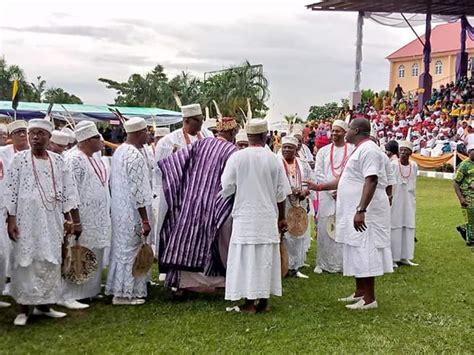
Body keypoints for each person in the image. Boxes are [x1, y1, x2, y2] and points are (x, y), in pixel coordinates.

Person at [306, 118, 393, 310]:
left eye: (349, 129)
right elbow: (344, 179)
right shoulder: (359, 149)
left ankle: (370, 299)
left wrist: (361, 210)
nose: (346, 132)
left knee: (365, 250)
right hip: (353, 210)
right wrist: (319, 186)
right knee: (355, 250)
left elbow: (371, 180)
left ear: (357, 130)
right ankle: (360, 292)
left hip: (366, 212)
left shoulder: (369, 149)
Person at [5, 119, 80, 326]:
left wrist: (73, 219)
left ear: (49, 138)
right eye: (32, 134)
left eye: (40, 134)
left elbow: (69, 191)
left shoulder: (58, 161)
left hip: (52, 219)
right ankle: (23, 309)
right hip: (25, 220)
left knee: (49, 261)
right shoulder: (19, 160)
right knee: (26, 261)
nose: (35, 137)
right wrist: (11, 219)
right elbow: (10, 192)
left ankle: (44, 305)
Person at [158, 117, 238, 293]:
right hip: (215, 204)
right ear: (232, 132)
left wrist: (184, 187)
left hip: (190, 201)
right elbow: (232, 182)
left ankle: (181, 285)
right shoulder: (232, 151)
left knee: (186, 240)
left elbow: (174, 164)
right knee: (213, 243)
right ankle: (216, 284)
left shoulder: (201, 143)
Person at [222, 119, 291, 313]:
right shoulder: (273, 159)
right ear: (265, 135)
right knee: (265, 257)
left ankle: (250, 303)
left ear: (247, 136)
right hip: (267, 216)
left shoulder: (237, 158)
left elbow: (226, 187)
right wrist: (282, 217)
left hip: (245, 216)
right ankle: (263, 301)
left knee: (247, 258)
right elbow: (281, 193)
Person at [59, 123, 111, 310]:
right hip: (81, 217)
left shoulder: (95, 157)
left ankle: (88, 291)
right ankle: (68, 294)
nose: (101, 141)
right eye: (98, 138)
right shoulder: (74, 159)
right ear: (88, 140)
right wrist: (75, 220)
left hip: (97, 216)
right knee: (76, 253)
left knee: (93, 252)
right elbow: (70, 192)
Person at [105, 118, 153, 305]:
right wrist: (145, 219)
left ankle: (122, 288)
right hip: (133, 212)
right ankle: (124, 294)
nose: (148, 135)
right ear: (140, 133)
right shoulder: (134, 156)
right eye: (147, 132)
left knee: (122, 250)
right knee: (132, 250)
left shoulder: (120, 151)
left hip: (120, 209)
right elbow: (138, 190)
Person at [314, 120, 352, 274]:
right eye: (333, 131)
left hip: (346, 195)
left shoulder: (352, 150)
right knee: (325, 226)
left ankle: (343, 263)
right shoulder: (323, 151)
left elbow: (353, 173)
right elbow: (319, 172)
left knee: (344, 226)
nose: (335, 133)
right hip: (327, 195)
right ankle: (322, 262)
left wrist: (341, 190)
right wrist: (331, 191)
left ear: (345, 133)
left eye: (338, 131)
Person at [0, 120, 29, 298]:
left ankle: (20, 284)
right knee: (4, 250)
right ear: (11, 137)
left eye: (24, 131)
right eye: (17, 132)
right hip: (5, 208)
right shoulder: (3, 154)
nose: (21, 135)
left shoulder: (33, 154)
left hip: (27, 208)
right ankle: (6, 285)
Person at [280, 135, 311, 278]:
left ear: (296, 149)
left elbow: (311, 180)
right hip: (282, 204)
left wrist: (305, 192)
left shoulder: (302, 163)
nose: (287, 150)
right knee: (283, 235)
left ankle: (294, 267)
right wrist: (288, 191)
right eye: (284, 147)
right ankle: (282, 266)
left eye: (290, 147)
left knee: (298, 234)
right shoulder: (276, 162)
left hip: (299, 203)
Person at [391, 141, 418, 267]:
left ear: (410, 153)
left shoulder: (414, 165)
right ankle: (393, 258)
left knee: (408, 226)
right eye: (401, 150)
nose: (403, 152)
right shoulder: (393, 165)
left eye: (406, 150)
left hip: (409, 200)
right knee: (395, 226)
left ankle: (405, 257)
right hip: (395, 200)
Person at [453, 144, 474, 246]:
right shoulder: (464, 165)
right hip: (468, 196)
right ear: (469, 152)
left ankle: (463, 228)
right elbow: (456, 182)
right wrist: (461, 198)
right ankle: (470, 240)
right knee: (471, 218)